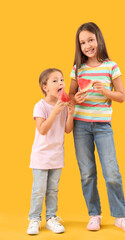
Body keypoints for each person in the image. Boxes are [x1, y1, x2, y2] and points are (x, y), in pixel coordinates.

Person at [69, 22, 125, 233]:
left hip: (102, 126)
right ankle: (94, 214)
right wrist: (77, 98)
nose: (87, 45)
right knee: (87, 172)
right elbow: (70, 96)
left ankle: (120, 216)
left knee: (112, 171)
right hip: (80, 126)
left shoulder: (111, 66)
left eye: (91, 40)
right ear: (79, 46)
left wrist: (105, 92)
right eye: (83, 42)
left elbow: (122, 96)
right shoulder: (77, 68)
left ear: (99, 40)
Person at [27, 68, 74, 235]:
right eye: (55, 80)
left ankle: (51, 218)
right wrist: (56, 111)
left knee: (53, 189)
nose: (60, 83)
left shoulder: (63, 105)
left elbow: (68, 130)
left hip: (57, 155)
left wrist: (70, 112)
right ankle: (34, 219)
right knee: (39, 189)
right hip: (41, 156)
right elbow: (42, 129)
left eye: (61, 80)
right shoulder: (40, 106)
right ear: (44, 87)